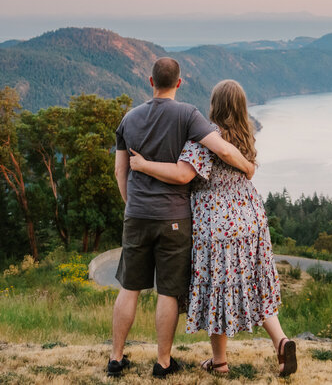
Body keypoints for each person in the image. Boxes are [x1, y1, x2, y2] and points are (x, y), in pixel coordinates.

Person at [128, 79, 297, 377]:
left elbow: (182, 174)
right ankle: (281, 343)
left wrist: (144, 165)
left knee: (218, 288)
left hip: (217, 222)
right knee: (254, 283)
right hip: (250, 217)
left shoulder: (205, 138)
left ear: (214, 105)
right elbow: (245, 168)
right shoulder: (248, 135)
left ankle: (219, 363)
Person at [109, 58, 255, 379]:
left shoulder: (129, 119)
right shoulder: (187, 114)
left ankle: (116, 359)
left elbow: (121, 171)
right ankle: (163, 363)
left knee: (129, 287)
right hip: (174, 218)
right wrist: (247, 167)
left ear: (150, 81)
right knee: (168, 292)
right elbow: (224, 150)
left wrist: (131, 204)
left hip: (136, 215)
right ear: (179, 82)